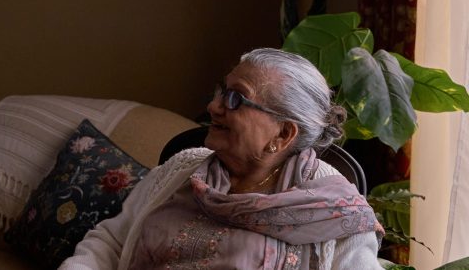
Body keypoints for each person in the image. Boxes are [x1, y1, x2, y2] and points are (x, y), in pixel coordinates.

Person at [59, 48, 384, 270]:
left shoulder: (335, 211)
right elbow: (110, 242)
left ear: (283, 133)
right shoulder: (181, 168)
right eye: (221, 92)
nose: (214, 107)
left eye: (236, 99)